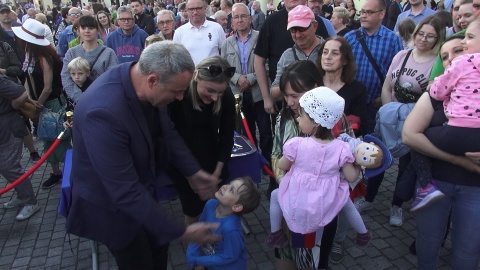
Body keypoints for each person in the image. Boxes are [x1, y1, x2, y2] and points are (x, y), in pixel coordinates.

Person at [66, 41, 223, 269]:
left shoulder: (140, 78)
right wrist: (182, 230)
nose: (180, 97)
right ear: (152, 80)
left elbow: (166, 131)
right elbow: (123, 189)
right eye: (176, 91)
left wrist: (194, 172)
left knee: (158, 251)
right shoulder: (103, 112)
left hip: (139, 193)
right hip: (111, 208)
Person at [272, 60, 356, 270]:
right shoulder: (284, 116)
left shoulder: (336, 120)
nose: (290, 102)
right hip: (289, 202)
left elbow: (350, 156)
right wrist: (286, 184)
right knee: (286, 257)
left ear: (315, 90)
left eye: (295, 96)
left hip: (321, 206)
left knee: (315, 260)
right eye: (286, 95)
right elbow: (275, 153)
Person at [265, 87, 371, 250]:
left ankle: (275, 233)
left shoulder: (297, 144)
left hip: (298, 197)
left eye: (300, 115)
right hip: (325, 200)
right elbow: (351, 177)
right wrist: (357, 162)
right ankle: (362, 233)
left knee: (274, 195)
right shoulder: (342, 148)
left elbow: (282, 165)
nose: (297, 119)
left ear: (315, 121)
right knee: (345, 201)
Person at [408, 18, 480, 212]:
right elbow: (409, 135)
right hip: (444, 181)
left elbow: (437, 91)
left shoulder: (463, 65)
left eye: (458, 50)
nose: (451, 59)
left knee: (423, 137)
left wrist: (437, 85)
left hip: (473, 188)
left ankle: (425, 185)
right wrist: (460, 161)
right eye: (444, 56)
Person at [378, 15, 444, 226]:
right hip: (390, 118)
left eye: (430, 36)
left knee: (406, 166)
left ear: (438, 39)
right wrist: (389, 111)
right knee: (378, 156)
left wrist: (411, 124)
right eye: (421, 34)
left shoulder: (437, 62)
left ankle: (396, 205)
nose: (423, 39)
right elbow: (387, 86)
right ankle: (368, 197)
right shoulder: (402, 55)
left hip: (415, 123)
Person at [343, 0, 402, 220]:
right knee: (350, 150)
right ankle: (350, 189)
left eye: (369, 12)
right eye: (362, 12)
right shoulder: (350, 38)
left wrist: (386, 98)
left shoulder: (392, 40)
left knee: (376, 151)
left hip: (377, 106)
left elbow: (397, 75)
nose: (363, 16)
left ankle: (368, 197)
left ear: (382, 14)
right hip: (352, 107)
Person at [168, 56, 236, 225]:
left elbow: (227, 137)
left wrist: (216, 174)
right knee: (192, 211)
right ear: (196, 76)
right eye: (210, 90)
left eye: (219, 92)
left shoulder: (226, 95)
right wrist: (191, 177)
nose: (214, 98)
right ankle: (195, 248)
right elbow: (170, 139)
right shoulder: (179, 96)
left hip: (213, 158)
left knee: (217, 208)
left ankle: (218, 245)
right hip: (183, 160)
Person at [13, 19, 71, 189]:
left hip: (51, 104)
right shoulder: (30, 57)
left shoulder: (45, 58)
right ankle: (56, 173)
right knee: (47, 141)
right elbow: (28, 80)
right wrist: (28, 100)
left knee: (60, 140)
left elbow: (47, 87)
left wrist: (36, 105)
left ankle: (69, 173)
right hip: (41, 104)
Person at [221, 3, 272, 172]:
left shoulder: (261, 37)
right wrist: (236, 79)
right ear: (232, 21)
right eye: (236, 17)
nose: (240, 20)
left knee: (265, 132)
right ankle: (253, 165)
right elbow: (223, 68)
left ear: (250, 19)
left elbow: (267, 65)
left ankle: (268, 166)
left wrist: (250, 79)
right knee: (246, 133)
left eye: (243, 16)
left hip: (259, 94)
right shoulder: (227, 43)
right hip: (239, 96)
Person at [186, 176, 261, 269]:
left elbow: (228, 256)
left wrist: (197, 260)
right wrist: (192, 253)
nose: (225, 186)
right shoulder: (210, 205)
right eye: (229, 184)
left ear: (237, 206)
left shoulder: (230, 228)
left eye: (231, 190)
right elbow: (201, 228)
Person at [0, 74, 41, 221]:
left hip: (8, 128)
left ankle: (31, 201)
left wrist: (12, 107)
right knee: (6, 167)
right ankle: (22, 195)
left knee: (9, 166)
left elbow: (21, 93)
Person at [61, 15, 117, 107]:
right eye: (83, 28)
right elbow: (65, 77)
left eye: (91, 28)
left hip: (101, 103)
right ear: (78, 30)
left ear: (97, 30)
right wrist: (81, 99)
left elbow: (112, 81)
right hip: (79, 103)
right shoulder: (71, 52)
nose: (87, 31)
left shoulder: (109, 53)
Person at [173, 0, 226, 65]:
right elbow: (177, 59)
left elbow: (224, 53)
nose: (195, 12)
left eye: (198, 8)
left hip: (214, 74)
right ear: (187, 10)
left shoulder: (217, 28)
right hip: (191, 74)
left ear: (205, 8)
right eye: (191, 9)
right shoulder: (179, 32)